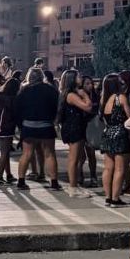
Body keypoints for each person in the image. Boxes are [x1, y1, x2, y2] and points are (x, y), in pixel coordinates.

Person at [14, 67, 61, 191]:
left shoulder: (24, 91)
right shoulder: (50, 89)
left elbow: (17, 109)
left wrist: (20, 125)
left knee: (26, 154)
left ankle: (21, 181)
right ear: (42, 77)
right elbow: (57, 106)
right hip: (46, 125)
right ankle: (54, 182)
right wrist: (53, 119)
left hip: (28, 125)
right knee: (50, 153)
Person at [58, 69, 93, 198]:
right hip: (74, 128)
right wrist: (84, 95)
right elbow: (88, 107)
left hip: (76, 126)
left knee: (79, 157)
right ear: (72, 79)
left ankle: (75, 184)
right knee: (73, 159)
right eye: (78, 76)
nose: (81, 78)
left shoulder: (70, 93)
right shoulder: (71, 95)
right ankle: (72, 187)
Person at [101, 73, 130, 207]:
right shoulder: (121, 98)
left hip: (107, 133)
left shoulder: (104, 99)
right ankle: (115, 198)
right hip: (120, 134)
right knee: (120, 169)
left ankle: (108, 197)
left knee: (108, 168)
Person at [0, 78, 20, 185]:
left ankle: (9, 174)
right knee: (4, 153)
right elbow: (15, 114)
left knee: (5, 152)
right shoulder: (12, 99)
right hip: (7, 127)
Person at [81, 75, 100, 188]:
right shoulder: (79, 95)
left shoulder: (95, 96)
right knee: (81, 155)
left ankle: (93, 177)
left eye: (91, 83)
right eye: (87, 83)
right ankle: (79, 176)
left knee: (91, 154)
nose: (90, 86)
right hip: (81, 127)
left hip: (92, 128)